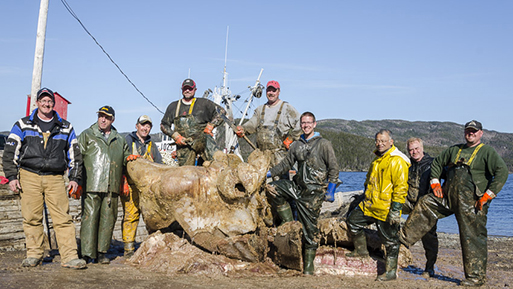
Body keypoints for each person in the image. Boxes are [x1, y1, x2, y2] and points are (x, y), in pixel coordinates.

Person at [399, 120, 508, 287]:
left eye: (474, 131)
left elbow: (502, 172)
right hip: (448, 197)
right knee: (427, 202)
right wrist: (435, 182)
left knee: (472, 237)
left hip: (473, 202)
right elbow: (437, 163)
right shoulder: (454, 150)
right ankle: (402, 242)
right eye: (468, 131)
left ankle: (475, 277)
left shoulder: (487, 152)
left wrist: (488, 195)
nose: (470, 133)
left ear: (480, 133)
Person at [2, 87, 86, 269]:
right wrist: (11, 176)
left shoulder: (66, 126)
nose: (46, 104)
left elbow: (75, 156)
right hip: (29, 176)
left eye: (49, 101)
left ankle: (70, 257)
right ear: (37, 103)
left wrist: (74, 178)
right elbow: (10, 153)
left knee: (63, 218)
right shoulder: (22, 125)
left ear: (53, 104)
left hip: (55, 178)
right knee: (31, 218)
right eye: (43, 101)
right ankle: (34, 255)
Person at [265, 112, 339, 275]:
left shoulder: (324, 144)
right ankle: (290, 223)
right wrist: (267, 174)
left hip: (314, 192)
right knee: (274, 188)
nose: (305, 125)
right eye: (303, 123)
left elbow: (334, 168)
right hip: (298, 188)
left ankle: (308, 266)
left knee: (310, 229)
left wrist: (331, 190)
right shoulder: (296, 145)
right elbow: (285, 165)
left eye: (308, 123)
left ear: (314, 124)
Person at [346, 129, 410, 281]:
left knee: (390, 241)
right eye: (377, 141)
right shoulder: (377, 159)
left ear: (391, 142)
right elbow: (369, 181)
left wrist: (395, 210)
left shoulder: (397, 160)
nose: (380, 143)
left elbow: (401, 188)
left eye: (383, 141)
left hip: (386, 208)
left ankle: (390, 272)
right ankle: (361, 251)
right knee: (353, 222)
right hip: (369, 205)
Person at [78, 105, 130, 264]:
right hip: (91, 184)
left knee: (108, 219)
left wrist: (125, 181)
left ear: (112, 119)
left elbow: (127, 161)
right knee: (89, 218)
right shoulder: (87, 135)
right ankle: (86, 254)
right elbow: (77, 158)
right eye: (101, 116)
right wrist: (77, 180)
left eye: (106, 117)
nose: (103, 119)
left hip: (112, 186)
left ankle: (101, 253)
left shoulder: (120, 139)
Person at [235, 80, 301, 170]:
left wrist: (291, 138)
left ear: (278, 92)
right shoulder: (260, 110)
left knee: (279, 182)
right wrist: (242, 129)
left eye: (273, 90)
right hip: (262, 156)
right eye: (269, 90)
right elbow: (251, 125)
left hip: (279, 156)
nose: (271, 93)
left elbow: (301, 123)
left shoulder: (286, 108)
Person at [121, 115, 162, 257]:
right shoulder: (127, 140)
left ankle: (152, 246)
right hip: (131, 185)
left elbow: (159, 166)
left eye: (148, 126)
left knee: (151, 217)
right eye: (142, 125)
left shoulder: (152, 146)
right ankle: (128, 248)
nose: (145, 128)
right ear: (137, 126)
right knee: (131, 216)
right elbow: (121, 161)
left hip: (148, 189)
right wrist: (123, 181)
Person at [160, 78, 224, 166]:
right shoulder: (173, 106)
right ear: (182, 90)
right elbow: (164, 125)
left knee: (217, 164)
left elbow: (222, 112)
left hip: (203, 141)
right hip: (184, 144)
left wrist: (211, 126)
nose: (187, 90)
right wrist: (175, 136)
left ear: (195, 90)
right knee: (185, 174)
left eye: (190, 88)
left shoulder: (204, 104)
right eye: (185, 88)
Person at [403, 137, 438, 278]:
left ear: (422, 148)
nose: (414, 152)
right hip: (409, 202)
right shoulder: (406, 164)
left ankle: (430, 267)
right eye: (411, 150)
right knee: (388, 213)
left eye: (416, 148)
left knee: (429, 237)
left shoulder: (433, 164)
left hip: (427, 206)